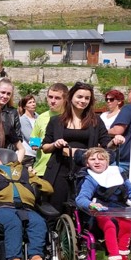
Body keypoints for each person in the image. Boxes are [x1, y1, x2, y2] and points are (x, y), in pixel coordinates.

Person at [41, 81, 119, 211]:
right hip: (60, 168)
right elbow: (45, 147)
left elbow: (107, 144)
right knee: (56, 206)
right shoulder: (56, 121)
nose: (83, 101)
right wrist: (55, 144)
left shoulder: (96, 121)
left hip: (85, 170)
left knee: (82, 208)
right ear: (71, 97)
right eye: (80, 97)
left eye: (87, 98)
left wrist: (115, 141)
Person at [30, 83, 68, 178]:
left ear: (65, 99)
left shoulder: (71, 117)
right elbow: (33, 140)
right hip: (41, 169)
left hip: (63, 168)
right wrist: (39, 145)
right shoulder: (41, 117)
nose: (53, 101)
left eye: (57, 98)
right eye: (50, 97)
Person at [108, 87, 131, 174]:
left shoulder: (129, 108)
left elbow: (117, 130)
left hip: (123, 159)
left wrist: (102, 131)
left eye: (130, 92)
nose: (128, 95)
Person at [19, 94, 38, 164]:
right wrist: (43, 147)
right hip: (28, 154)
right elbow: (30, 137)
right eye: (30, 103)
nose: (33, 104)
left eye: (34, 102)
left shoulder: (39, 117)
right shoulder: (23, 119)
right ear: (24, 107)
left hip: (37, 153)